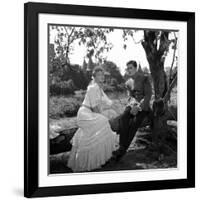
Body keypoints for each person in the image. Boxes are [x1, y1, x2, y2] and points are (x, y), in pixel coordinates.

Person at [67, 66, 118, 172]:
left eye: (103, 75)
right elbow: (95, 108)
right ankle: (90, 162)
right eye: (99, 75)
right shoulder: (93, 87)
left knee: (98, 127)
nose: (102, 76)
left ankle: (96, 161)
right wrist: (104, 115)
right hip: (85, 113)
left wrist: (116, 108)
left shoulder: (99, 88)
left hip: (89, 113)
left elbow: (108, 102)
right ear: (94, 77)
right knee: (103, 121)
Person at [110, 60, 152, 161]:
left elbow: (148, 95)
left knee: (134, 123)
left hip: (143, 106)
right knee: (124, 118)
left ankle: (122, 150)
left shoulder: (144, 78)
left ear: (136, 68)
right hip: (132, 104)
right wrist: (131, 105)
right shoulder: (128, 82)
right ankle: (121, 147)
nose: (128, 70)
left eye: (130, 68)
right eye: (127, 68)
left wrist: (138, 107)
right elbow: (131, 97)